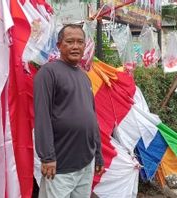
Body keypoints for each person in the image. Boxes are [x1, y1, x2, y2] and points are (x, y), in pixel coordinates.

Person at [34, 24, 104, 198]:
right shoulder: (48, 73)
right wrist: (47, 157)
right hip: (59, 165)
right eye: (70, 41)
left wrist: (98, 154)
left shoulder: (84, 77)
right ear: (59, 45)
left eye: (80, 42)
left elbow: (91, 118)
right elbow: (42, 117)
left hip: (86, 163)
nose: (75, 46)